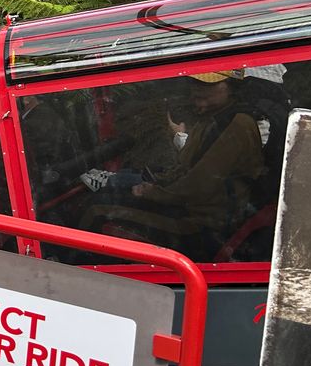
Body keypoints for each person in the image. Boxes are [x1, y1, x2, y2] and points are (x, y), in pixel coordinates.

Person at [86, 71, 266, 257]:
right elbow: (185, 165)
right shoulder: (213, 117)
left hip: (203, 224)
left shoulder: (236, 125)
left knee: (95, 208)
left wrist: (153, 192)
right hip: (189, 207)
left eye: (209, 84)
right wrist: (157, 183)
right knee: (112, 190)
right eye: (195, 81)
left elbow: (198, 185)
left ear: (232, 87)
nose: (198, 88)